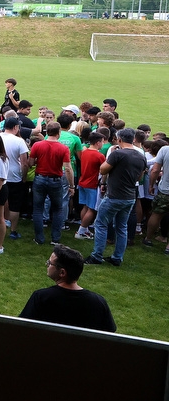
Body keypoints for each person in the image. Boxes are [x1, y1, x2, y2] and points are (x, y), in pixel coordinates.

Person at [19, 245, 115, 332]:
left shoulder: (41, 297)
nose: (47, 265)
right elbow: (110, 331)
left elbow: (21, 328)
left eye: (50, 263)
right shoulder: (98, 302)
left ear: (62, 273)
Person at [87, 128, 148, 266]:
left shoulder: (117, 154)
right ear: (133, 139)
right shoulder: (141, 156)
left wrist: (112, 157)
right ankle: (117, 258)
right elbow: (140, 176)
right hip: (130, 196)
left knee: (101, 224)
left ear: (119, 139)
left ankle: (96, 256)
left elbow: (102, 169)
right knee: (121, 227)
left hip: (114, 196)